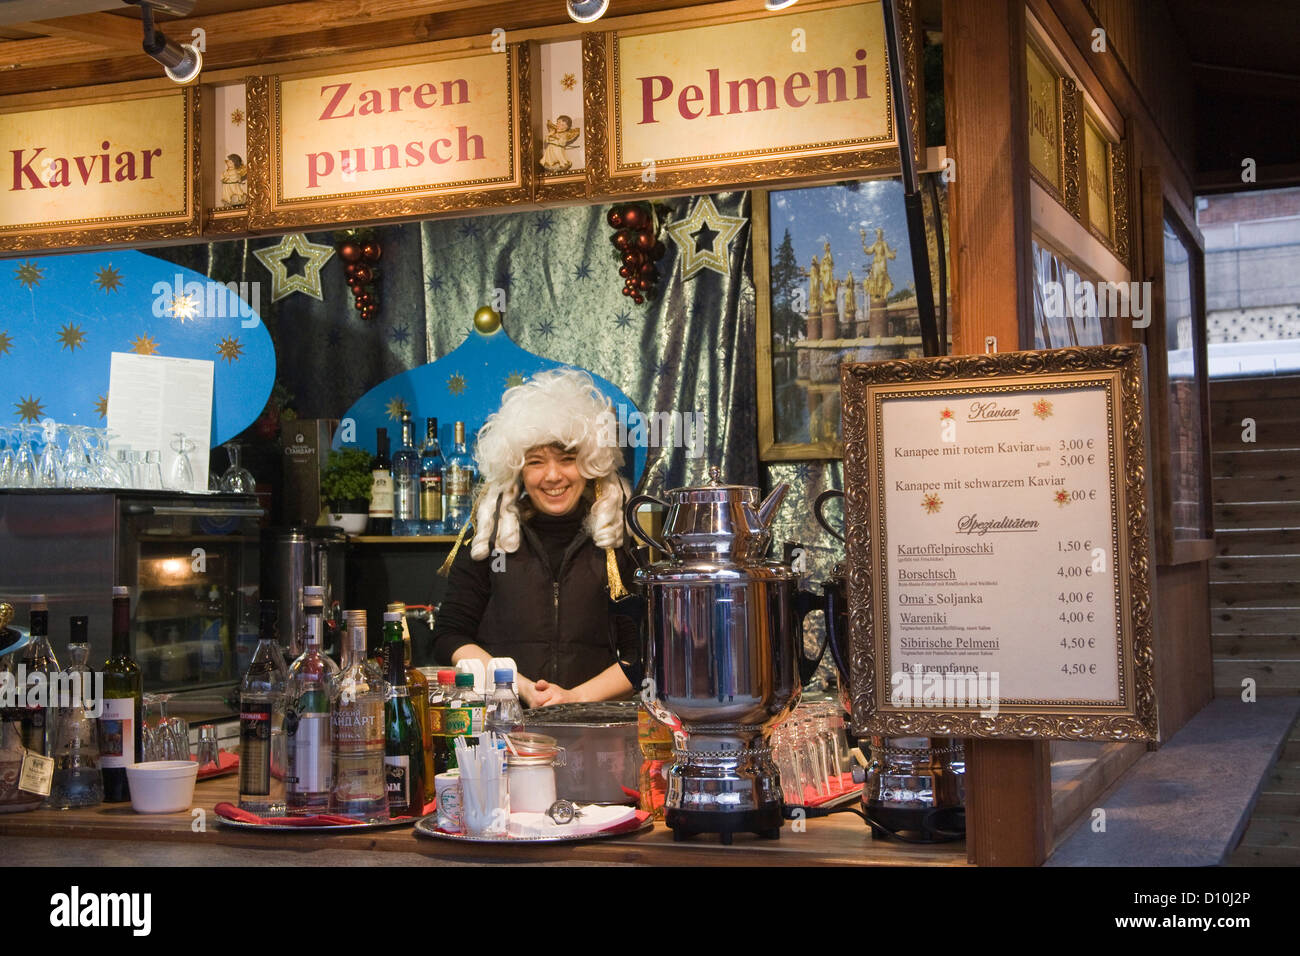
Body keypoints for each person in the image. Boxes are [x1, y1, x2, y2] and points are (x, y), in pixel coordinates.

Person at [431, 369, 642, 708]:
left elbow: (641, 654)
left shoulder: (615, 541)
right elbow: (450, 636)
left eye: (567, 459)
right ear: (517, 470)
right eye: (536, 462)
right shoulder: (490, 537)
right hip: (503, 728)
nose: (553, 475)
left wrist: (574, 697)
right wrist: (520, 688)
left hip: (593, 731)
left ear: (589, 463)